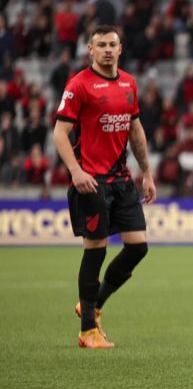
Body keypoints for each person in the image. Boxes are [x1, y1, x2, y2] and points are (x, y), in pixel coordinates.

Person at [52, 25, 156, 349]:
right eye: (101, 45)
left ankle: (93, 304)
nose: (108, 50)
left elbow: (135, 131)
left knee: (138, 247)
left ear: (120, 49)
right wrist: (75, 171)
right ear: (91, 50)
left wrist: (147, 173)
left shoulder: (129, 83)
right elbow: (59, 133)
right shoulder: (79, 85)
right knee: (95, 251)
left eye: (112, 44)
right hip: (92, 181)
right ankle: (87, 331)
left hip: (122, 180)